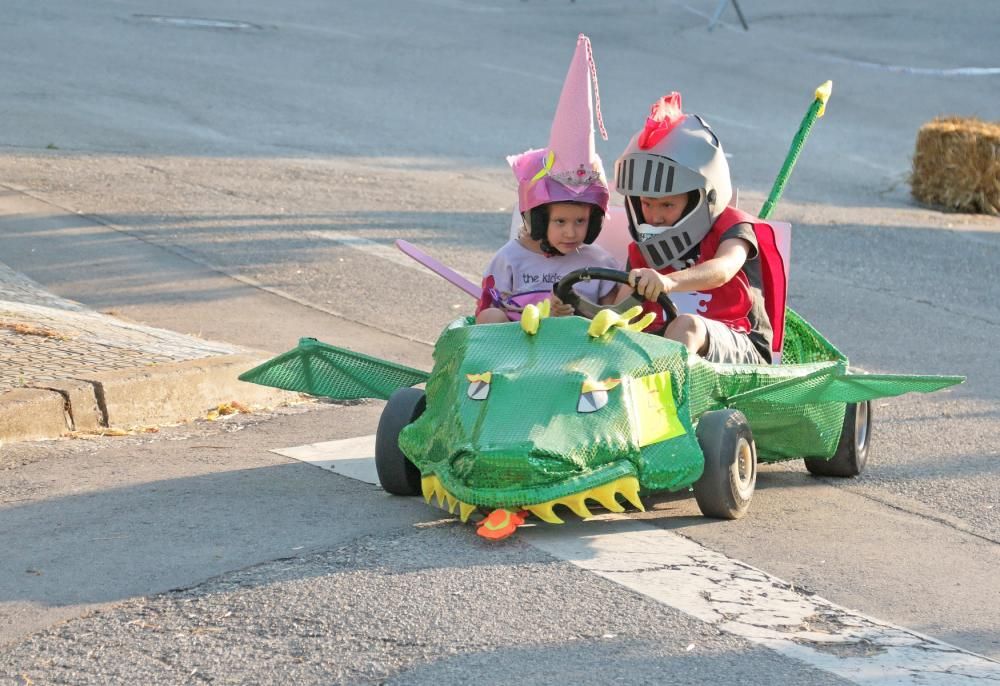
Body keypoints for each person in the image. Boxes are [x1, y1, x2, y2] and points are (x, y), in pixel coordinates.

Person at [614, 92, 775, 364]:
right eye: (646, 204)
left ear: (702, 198)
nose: (654, 216)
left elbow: (723, 269)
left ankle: (667, 399)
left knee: (687, 326)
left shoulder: (733, 228)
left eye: (667, 205)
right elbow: (618, 311)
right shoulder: (642, 247)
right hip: (663, 347)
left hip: (739, 344)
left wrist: (668, 281)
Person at [476, 34, 619, 324]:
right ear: (539, 219)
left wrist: (579, 314)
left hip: (579, 356)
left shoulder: (601, 264)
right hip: (516, 357)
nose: (571, 232)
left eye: (580, 221)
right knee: (489, 317)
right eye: (560, 222)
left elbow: (614, 322)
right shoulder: (509, 259)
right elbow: (486, 312)